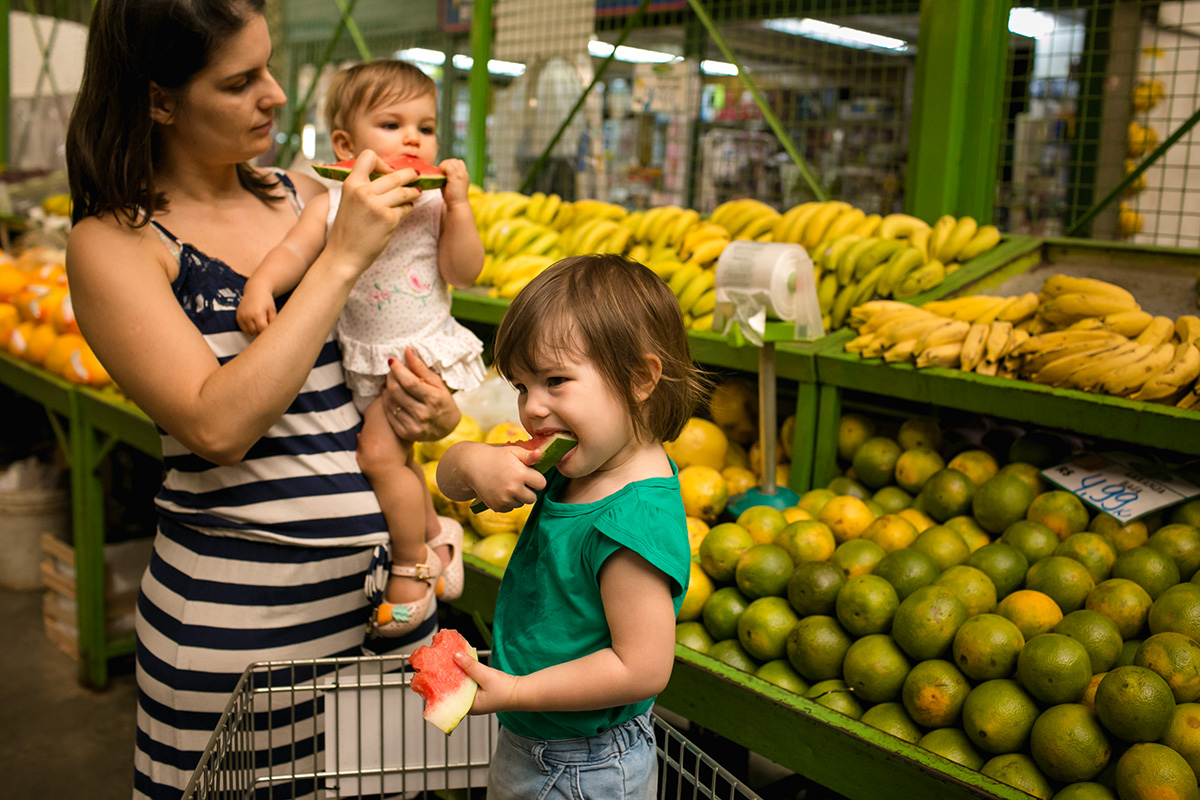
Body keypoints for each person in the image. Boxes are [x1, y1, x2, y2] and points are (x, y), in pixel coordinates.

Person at [64, 1, 461, 797]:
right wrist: (340, 260)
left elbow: (378, 356)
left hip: (375, 614)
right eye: (239, 81)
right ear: (159, 100)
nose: (275, 94)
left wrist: (431, 409)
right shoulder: (116, 243)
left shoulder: (309, 194)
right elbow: (218, 426)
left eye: (268, 67)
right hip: (237, 634)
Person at [436, 254, 705, 799]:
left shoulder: (631, 522)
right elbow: (448, 481)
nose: (532, 408)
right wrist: (473, 461)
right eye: (521, 386)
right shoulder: (578, 463)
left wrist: (516, 692)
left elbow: (642, 668)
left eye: (555, 381)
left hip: (586, 766)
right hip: (540, 741)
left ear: (640, 379)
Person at [236, 60, 485, 636]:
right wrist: (260, 285)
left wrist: (459, 208)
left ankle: (413, 565)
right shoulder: (330, 202)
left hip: (420, 356)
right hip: (366, 359)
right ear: (346, 146)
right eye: (392, 125)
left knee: (377, 456)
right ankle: (438, 534)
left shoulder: (432, 205)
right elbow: (294, 252)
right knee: (399, 458)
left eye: (426, 127)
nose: (413, 139)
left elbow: (464, 272)